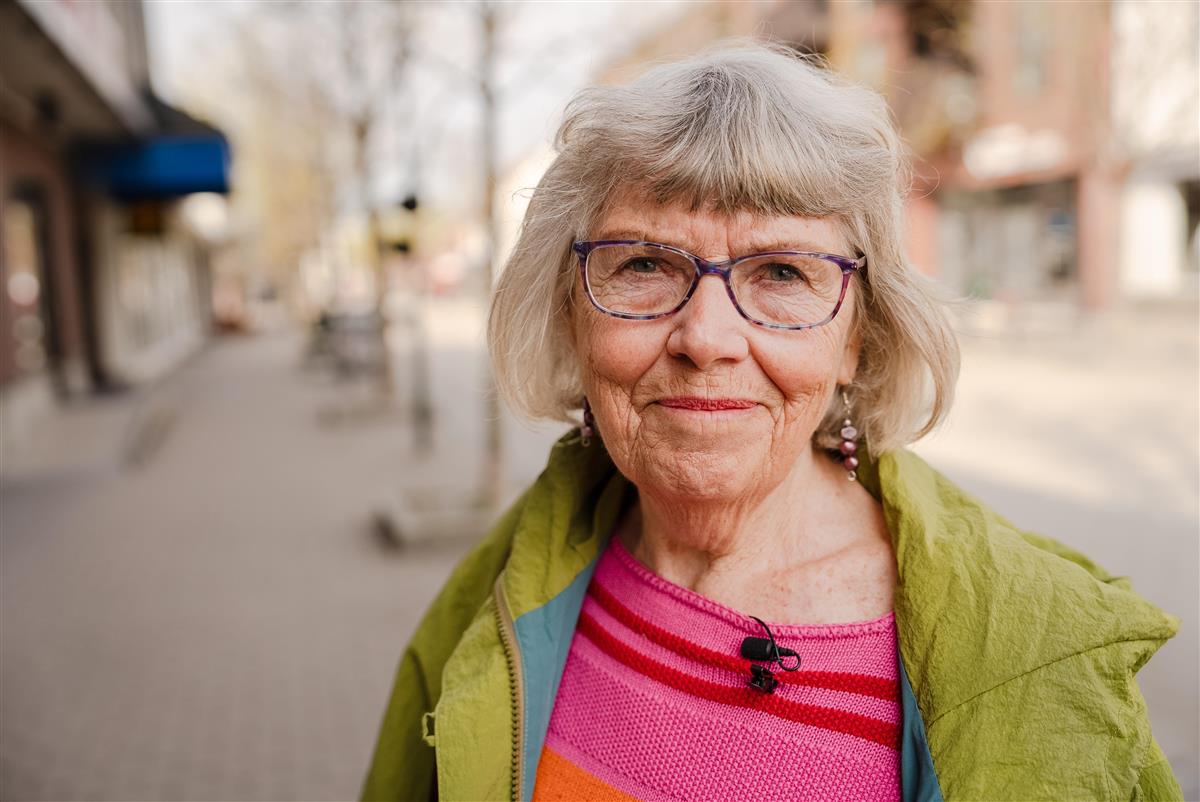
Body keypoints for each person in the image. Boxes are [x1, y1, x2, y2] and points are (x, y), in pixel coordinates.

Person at [360, 43, 1183, 802]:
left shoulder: (1031, 658)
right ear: (572, 314)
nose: (707, 339)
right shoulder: (502, 585)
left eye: (782, 271)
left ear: (857, 338)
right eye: (644, 263)